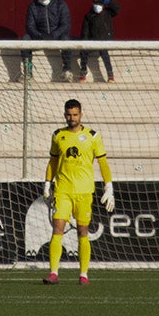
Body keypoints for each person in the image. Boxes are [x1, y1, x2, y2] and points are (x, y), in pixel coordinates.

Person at [42, 98, 114, 286]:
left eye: (75, 114)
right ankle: (53, 273)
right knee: (58, 227)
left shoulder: (93, 135)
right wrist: (47, 184)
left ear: (81, 115)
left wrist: (109, 187)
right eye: (69, 114)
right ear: (64, 115)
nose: (72, 118)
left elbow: (103, 163)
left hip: (84, 191)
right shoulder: (58, 135)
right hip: (63, 190)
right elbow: (53, 162)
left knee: (83, 231)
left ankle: (83, 274)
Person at [23, 0, 72, 82]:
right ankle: (28, 73)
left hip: (56, 36)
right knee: (25, 39)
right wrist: (39, 35)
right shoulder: (33, 6)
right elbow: (30, 25)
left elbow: (65, 24)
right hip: (39, 36)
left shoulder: (61, 5)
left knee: (66, 39)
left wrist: (54, 35)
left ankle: (67, 70)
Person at [79, 0, 120, 83]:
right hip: (92, 41)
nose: (97, 5)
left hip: (104, 41)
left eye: (99, 3)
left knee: (104, 54)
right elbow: (85, 31)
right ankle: (83, 72)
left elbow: (117, 8)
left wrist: (107, 1)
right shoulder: (89, 16)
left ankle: (110, 76)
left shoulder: (108, 13)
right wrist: (84, 43)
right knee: (83, 52)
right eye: (95, 3)